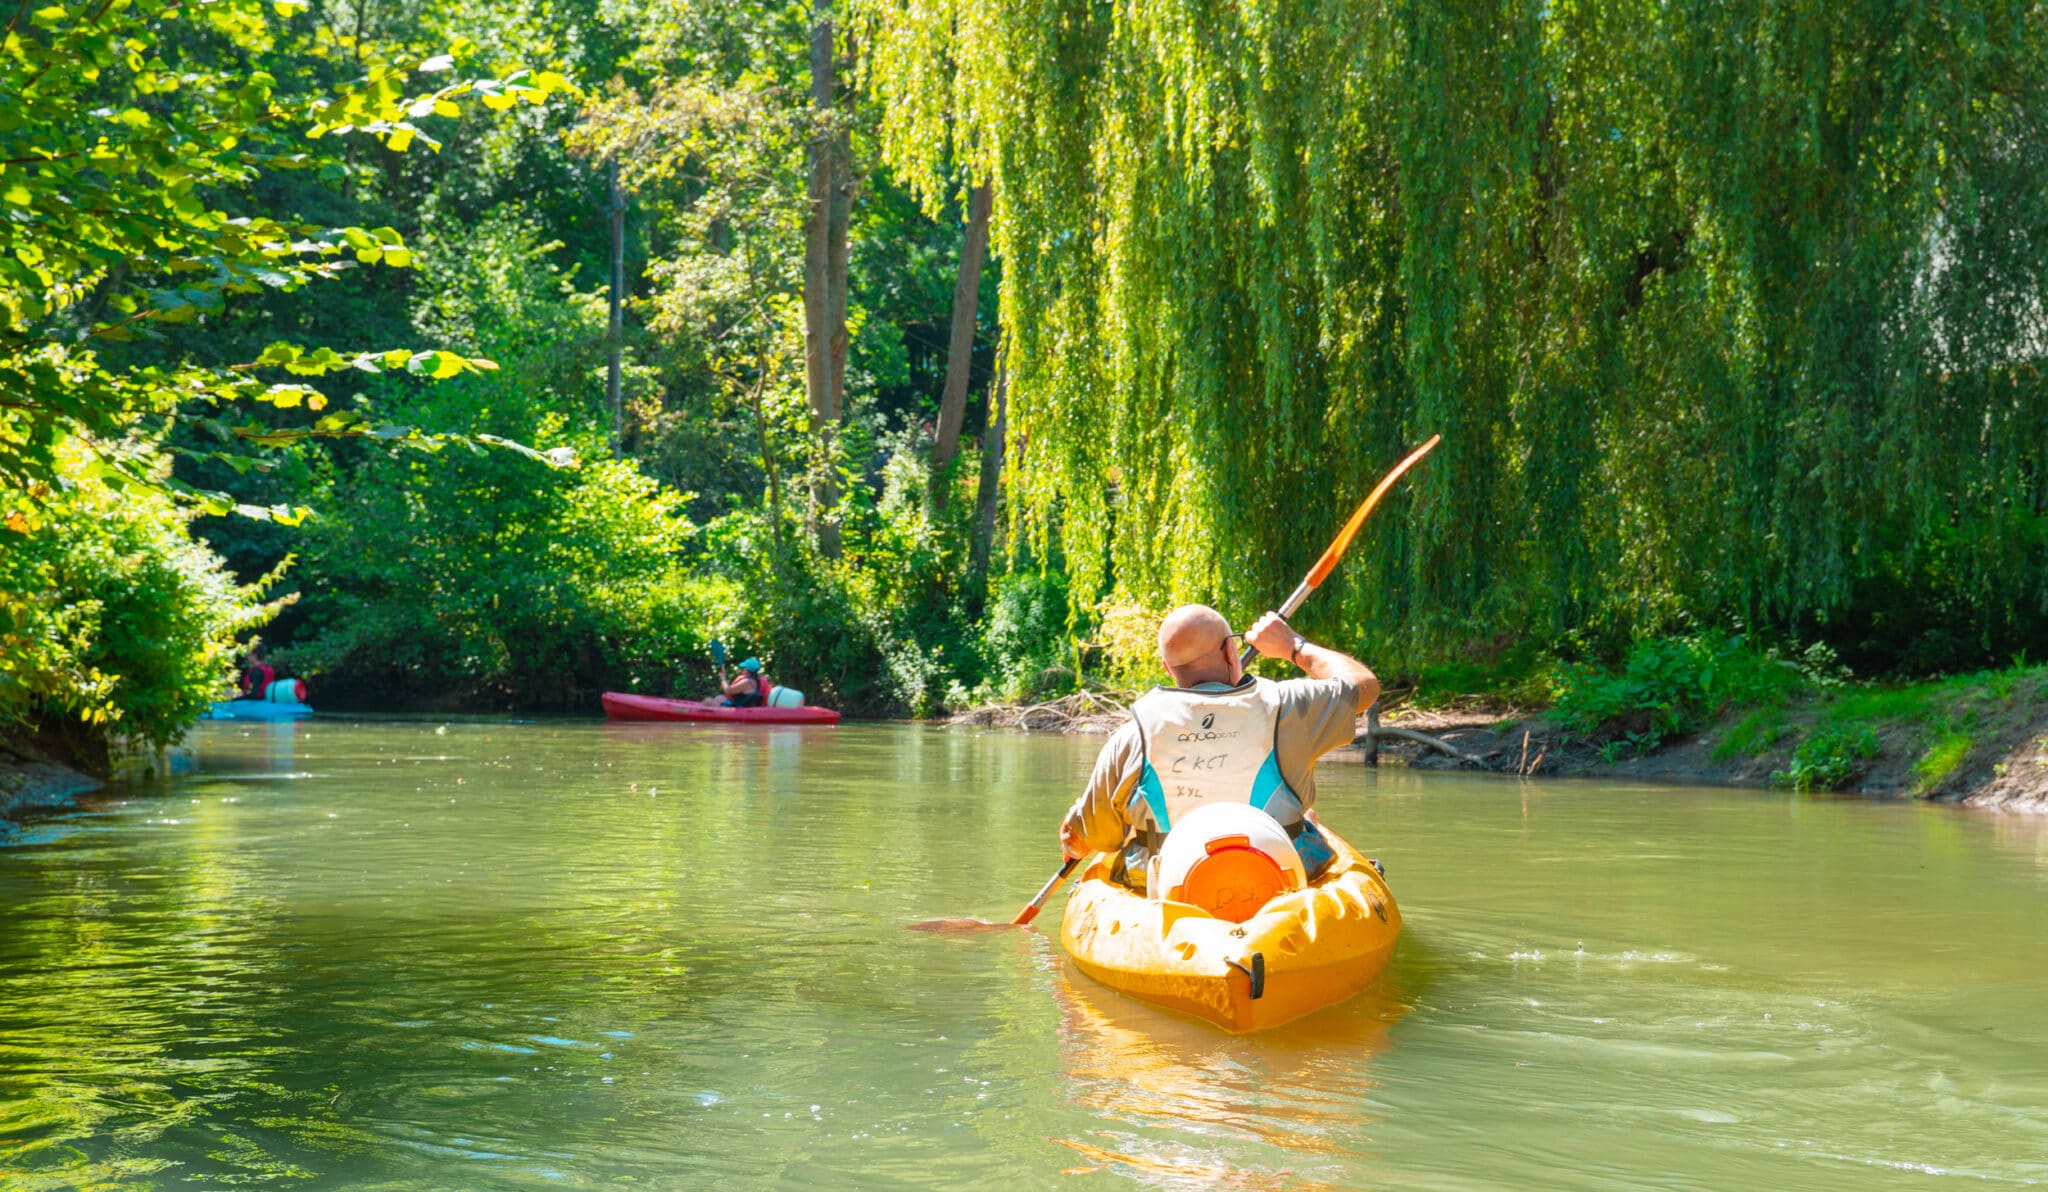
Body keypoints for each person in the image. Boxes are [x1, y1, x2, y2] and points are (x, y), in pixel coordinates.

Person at [1059, 604, 1379, 890]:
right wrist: (1294, 646)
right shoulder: (1289, 707)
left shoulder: (1132, 735)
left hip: (1169, 885)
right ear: (1230, 651)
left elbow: (1097, 837)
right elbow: (1364, 686)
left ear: (1167, 668)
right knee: (1309, 818)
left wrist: (1074, 837)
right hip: (1280, 876)